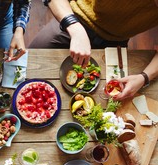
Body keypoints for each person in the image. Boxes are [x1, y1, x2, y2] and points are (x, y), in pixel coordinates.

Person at [30, 0, 158, 100]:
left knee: (106, 100)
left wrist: (144, 78)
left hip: (116, 40)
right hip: (77, 19)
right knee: (30, 63)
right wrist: (76, 29)